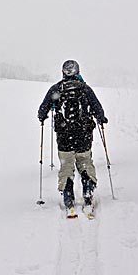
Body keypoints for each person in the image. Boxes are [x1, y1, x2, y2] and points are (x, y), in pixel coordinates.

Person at [37, 60, 108, 212]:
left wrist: (42, 117)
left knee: (67, 164)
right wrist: (101, 119)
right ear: (78, 72)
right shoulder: (85, 89)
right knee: (84, 161)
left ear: (63, 72)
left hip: (64, 135)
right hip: (84, 133)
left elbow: (42, 110)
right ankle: (88, 191)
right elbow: (97, 107)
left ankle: (68, 194)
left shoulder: (56, 89)